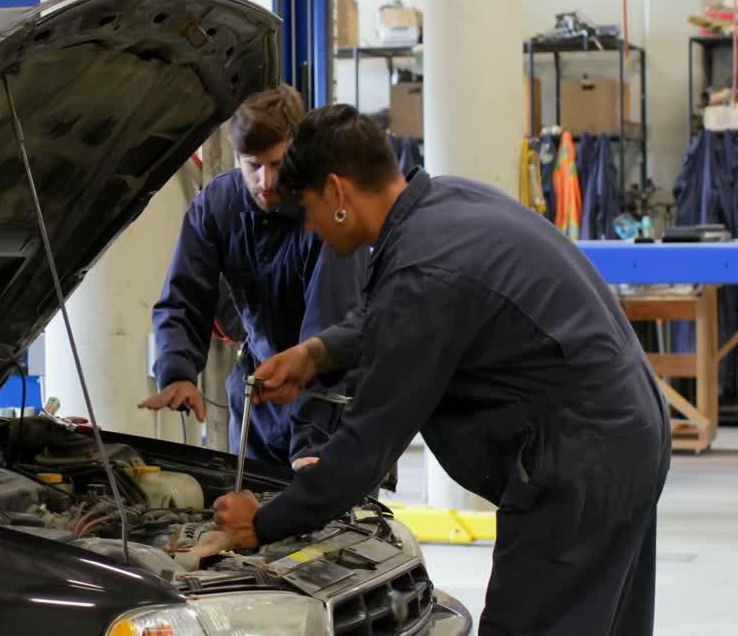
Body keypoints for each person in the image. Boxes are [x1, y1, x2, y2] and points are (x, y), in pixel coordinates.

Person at [213, 104, 671, 635]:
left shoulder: (421, 270)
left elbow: (368, 443)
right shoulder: (444, 206)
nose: (310, 225)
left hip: (580, 457)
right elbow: (395, 314)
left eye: (308, 208)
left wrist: (263, 522)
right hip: (627, 429)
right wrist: (316, 353)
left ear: (337, 192)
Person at [138, 85, 367, 468]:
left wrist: (311, 445)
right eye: (253, 165)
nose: (265, 181)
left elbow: (328, 336)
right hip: (260, 403)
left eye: (277, 164)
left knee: (326, 505)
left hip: (333, 405)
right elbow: (184, 296)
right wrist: (177, 371)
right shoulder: (217, 206)